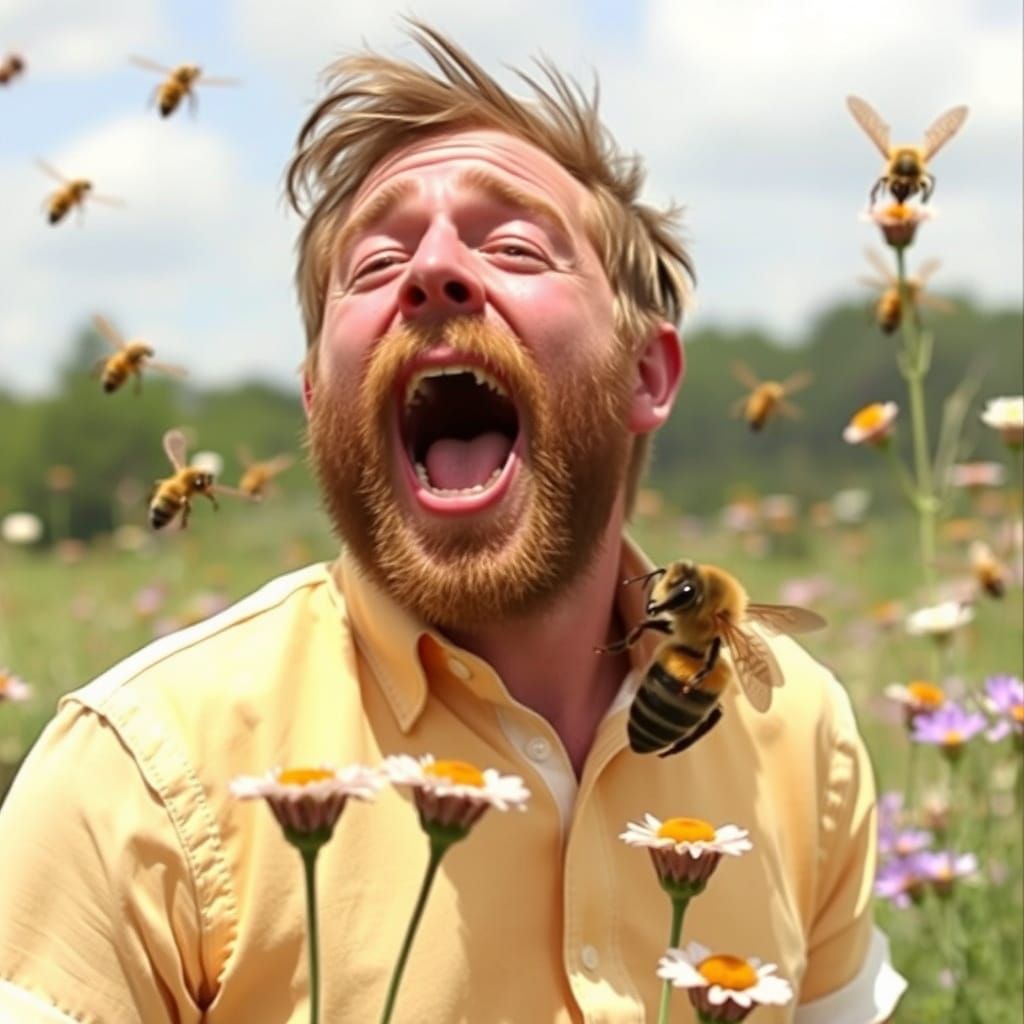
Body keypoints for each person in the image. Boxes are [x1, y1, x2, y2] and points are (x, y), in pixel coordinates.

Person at [0, 22, 906, 1024]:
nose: (435, 270)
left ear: (646, 374)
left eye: (514, 244)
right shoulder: (139, 777)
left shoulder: (798, 731)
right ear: (316, 401)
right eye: (376, 260)